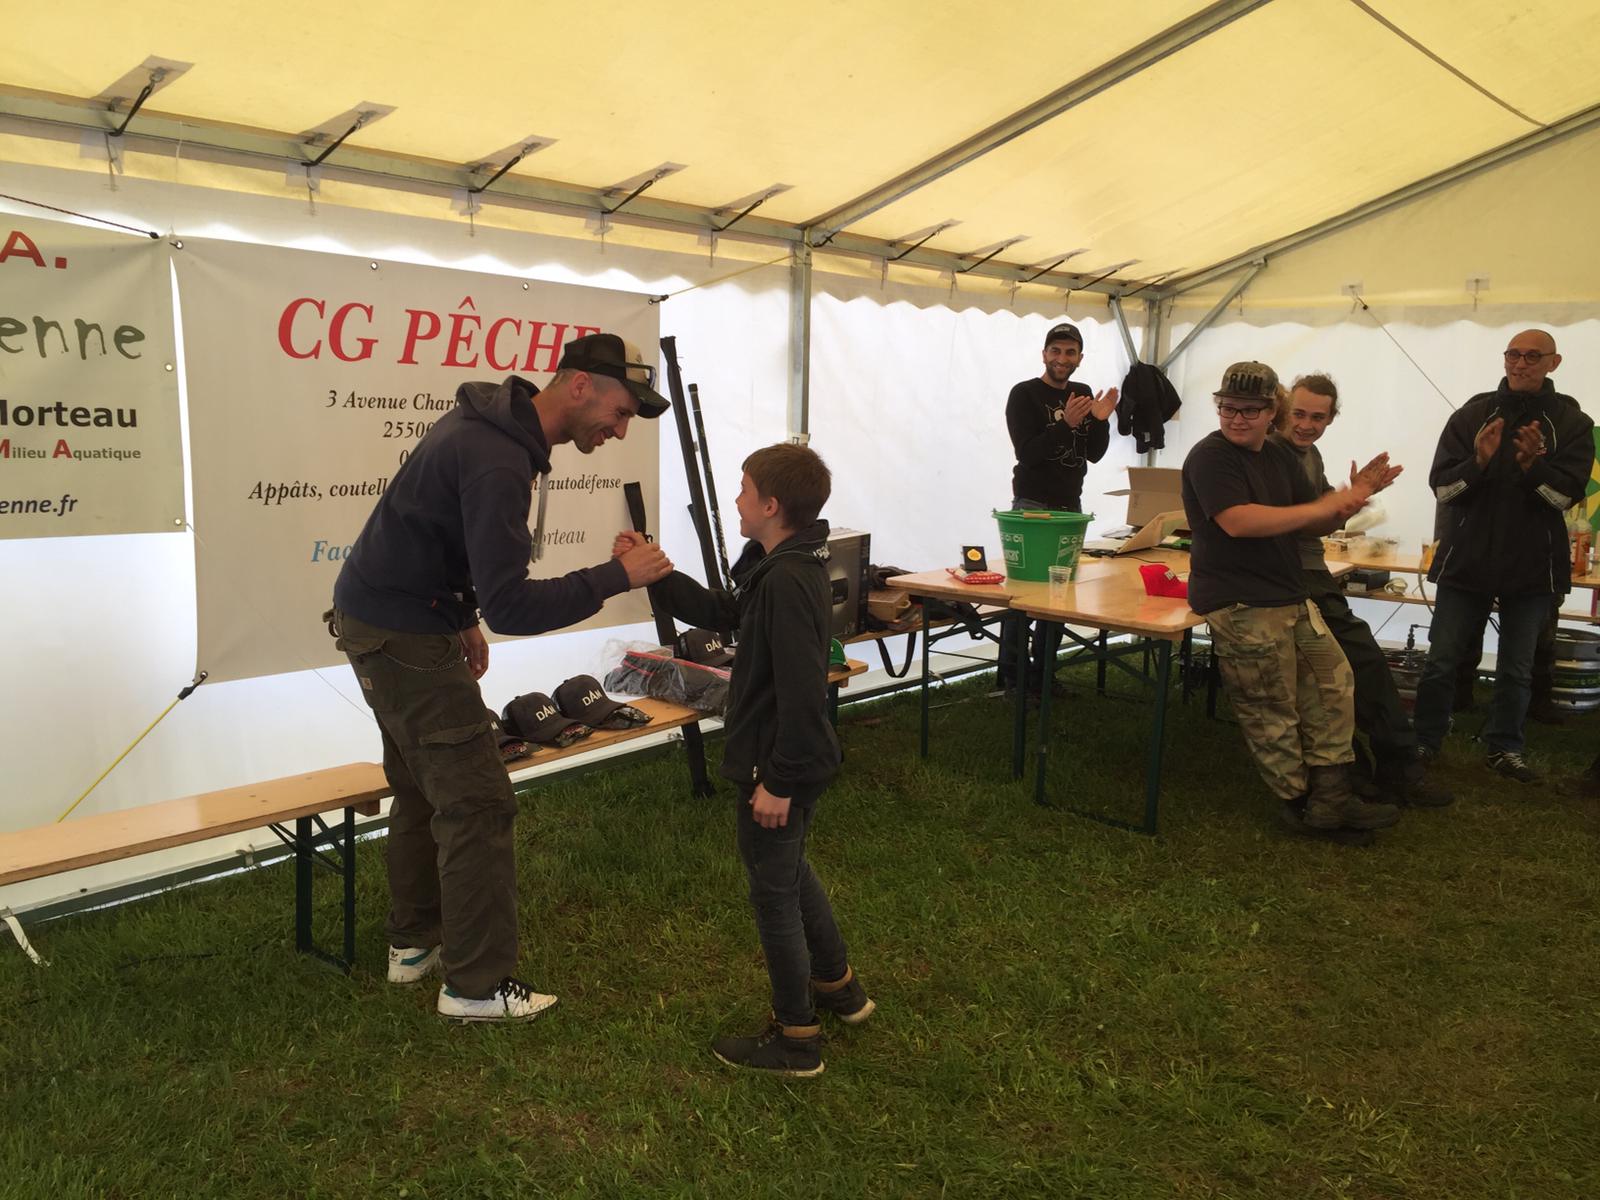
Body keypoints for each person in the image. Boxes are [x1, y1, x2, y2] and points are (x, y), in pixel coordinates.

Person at [327, 332, 673, 1022]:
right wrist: (616, 575)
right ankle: (475, 987)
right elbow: (512, 605)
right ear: (580, 385)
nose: (619, 430)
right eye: (620, 412)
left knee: (423, 788)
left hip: (386, 617)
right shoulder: (497, 457)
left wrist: (459, 615)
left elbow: (437, 538)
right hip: (401, 632)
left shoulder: (494, 429)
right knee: (478, 805)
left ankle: (414, 943)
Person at [616, 444, 867, 1076]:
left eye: (745, 490)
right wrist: (658, 573)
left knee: (772, 893)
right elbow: (726, 614)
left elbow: (803, 693)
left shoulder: (786, 579)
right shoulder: (784, 564)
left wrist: (777, 780)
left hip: (780, 764)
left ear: (771, 506)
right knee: (789, 871)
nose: (736, 500)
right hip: (787, 760)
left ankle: (796, 1038)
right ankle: (839, 988)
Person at [1182, 361, 1399, 833]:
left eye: (1249, 410)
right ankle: (1299, 806)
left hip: (1289, 594)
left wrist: (1348, 502)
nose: (1237, 419)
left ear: (1270, 412)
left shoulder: (1279, 457)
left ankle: (1332, 797)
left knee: (1333, 685)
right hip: (1239, 601)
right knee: (1270, 708)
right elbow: (1239, 521)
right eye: (1227, 408)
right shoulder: (1210, 456)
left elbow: (1313, 522)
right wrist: (1323, 505)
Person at [1411, 330, 1593, 785]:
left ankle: (1505, 748)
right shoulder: (1472, 415)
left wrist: (1533, 466)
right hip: (1466, 561)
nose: (1521, 363)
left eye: (1533, 356)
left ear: (1553, 363)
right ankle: (1423, 741)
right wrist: (1478, 462)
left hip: (1533, 567)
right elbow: (1443, 490)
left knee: (1517, 667)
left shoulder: (1572, 423)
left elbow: (1563, 499)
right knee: (1441, 660)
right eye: (1514, 354)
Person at [1270, 374, 1452, 808]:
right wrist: (1348, 499)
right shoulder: (1271, 454)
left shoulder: (1309, 454)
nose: (1306, 425)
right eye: (1299, 414)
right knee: (1348, 669)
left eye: (1318, 417)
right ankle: (1379, 772)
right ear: (1283, 411)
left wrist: (1349, 502)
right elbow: (1298, 520)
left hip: (1310, 574)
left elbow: (1320, 520)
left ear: (1331, 419)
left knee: (1352, 669)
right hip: (1287, 578)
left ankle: (1377, 772)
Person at [1000, 322, 1119, 694]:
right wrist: (1066, 423)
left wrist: (1101, 420)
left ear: (1080, 358)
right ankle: (1014, 679)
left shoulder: (1082, 392)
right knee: (1023, 594)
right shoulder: (1024, 394)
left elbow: (1094, 454)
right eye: (1056, 351)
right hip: (1033, 506)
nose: (1062, 358)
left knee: (1058, 595)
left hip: (1070, 506)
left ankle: (1044, 675)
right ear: (1044, 355)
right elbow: (1028, 454)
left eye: (1070, 352)